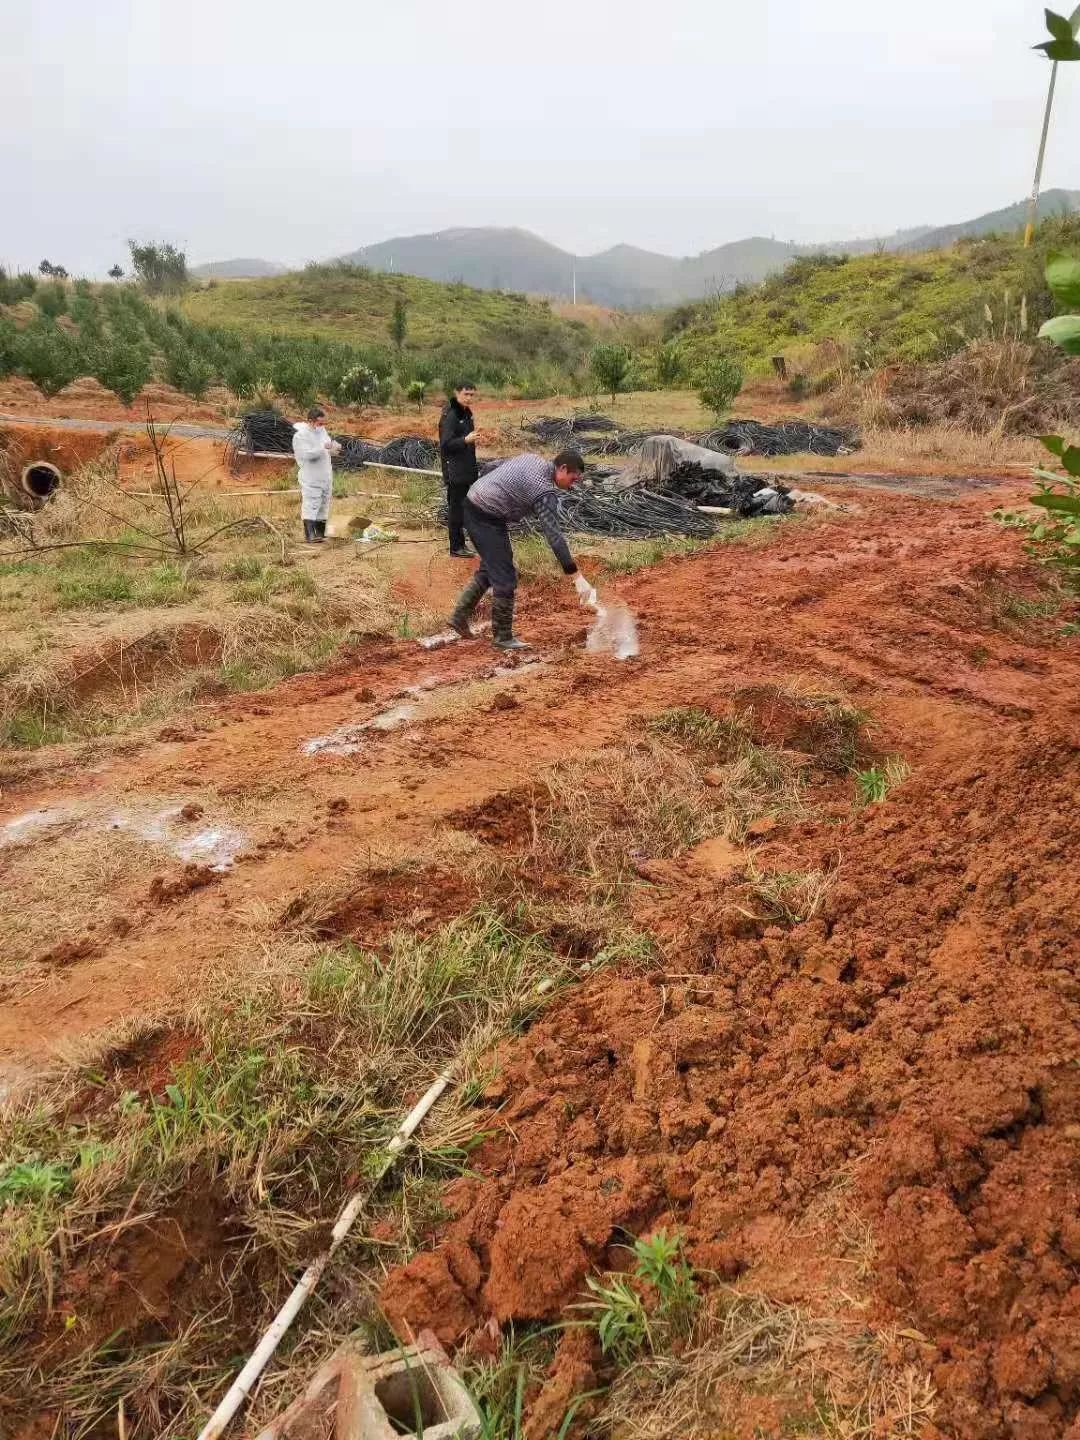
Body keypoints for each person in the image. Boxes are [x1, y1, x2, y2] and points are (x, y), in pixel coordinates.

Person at [447, 450, 596, 651]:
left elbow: (493, 466)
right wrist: (577, 577)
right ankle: (503, 637)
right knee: (505, 576)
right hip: (484, 515)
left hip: (477, 506)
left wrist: (487, 489)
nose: (573, 484)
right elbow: (554, 537)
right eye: (573, 478)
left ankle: (459, 617)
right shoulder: (544, 492)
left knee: (492, 567)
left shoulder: (532, 458)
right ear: (562, 468)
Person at [438, 380, 479, 557]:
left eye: (472, 395)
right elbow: (446, 445)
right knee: (456, 509)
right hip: (455, 471)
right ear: (456, 393)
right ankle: (456, 547)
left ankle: (461, 543)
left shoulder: (465, 413)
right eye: (466, 394)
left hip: (465, 469)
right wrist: (465, 440)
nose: (469, 398)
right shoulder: (452, 414)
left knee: (463, 508)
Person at [292, 405, 341, 543]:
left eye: (323, 423)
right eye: (319, 423)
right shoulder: (300, 436)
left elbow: (327, 448)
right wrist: (322, 448)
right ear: (311, 421)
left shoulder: (322, 432)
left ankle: (320, 532)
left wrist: (334, 448)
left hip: (325, 474)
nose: (321, 426)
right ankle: (310, 534)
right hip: (311, 476)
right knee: (311, 503)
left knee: (324, 502)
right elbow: (306, 454)